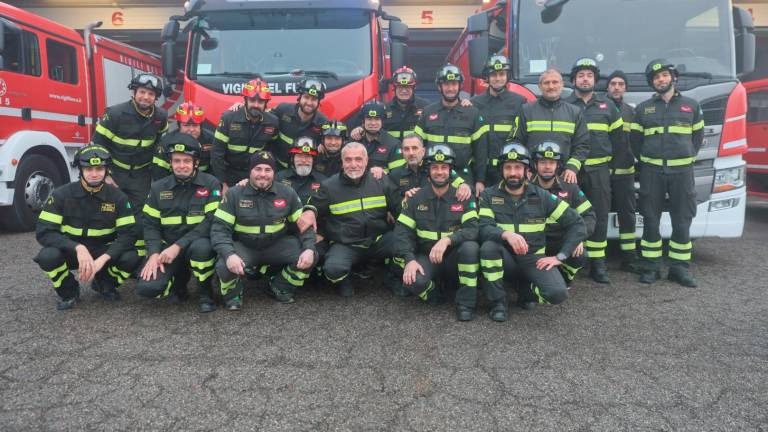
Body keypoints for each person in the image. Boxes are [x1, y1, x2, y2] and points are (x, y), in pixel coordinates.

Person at [478, 143, 586, 322]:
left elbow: (576, 222)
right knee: (488, 248)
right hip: (506, 258)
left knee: (557, 294)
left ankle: (527, 291)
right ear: (502, 170)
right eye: (508, 167)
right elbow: (483, 227)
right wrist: (506, 235)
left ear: (527, 170)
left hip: (533, 259)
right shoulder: (489, 195)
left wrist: (560, 256)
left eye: (518, 167)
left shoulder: (542, 195)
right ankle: (498, 302)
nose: (513, 172)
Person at [34, 145, 140, 310]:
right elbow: (44, 232)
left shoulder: (118, 197)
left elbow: (128, 235)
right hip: (72, 251)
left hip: (101, 252)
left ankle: (105, 283)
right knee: (48, 256)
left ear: (107, 170)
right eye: (88, 168)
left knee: (131, 256)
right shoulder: (61, 195)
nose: (94, 173)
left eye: (99, 168)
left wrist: (103, 259)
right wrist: (77, 247)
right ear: (80, 169)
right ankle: (69, 291)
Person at [211, 151, 317, 310]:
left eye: (268, 170)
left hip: (276, 245)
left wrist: (309, 248)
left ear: (274, 172)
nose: (263, 174)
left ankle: (280, 285)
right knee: (224, 266)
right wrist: (229, 254)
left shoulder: (287, 193)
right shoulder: (234, 194)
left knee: (311, 256)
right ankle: (233, 293)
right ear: (250, 171)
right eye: (258, 169)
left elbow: (304, 226)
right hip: (245, 246)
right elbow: (219, 230)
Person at [631, 59, 704, 287]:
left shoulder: (692, 106)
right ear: (652, 83)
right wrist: (647, 160)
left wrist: (686, 156)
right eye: (656, 77)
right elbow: (635, 141)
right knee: (651, 220)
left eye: (663, 75)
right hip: (652, 171)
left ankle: (679, 269)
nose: (660, 80)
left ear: (672, 77)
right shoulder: (643, 109)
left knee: (682, 221)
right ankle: (650, 266)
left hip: (682, 172)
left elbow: (697, 138)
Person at [300, 142, 401, 297]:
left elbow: (400, 209)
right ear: (342, 162)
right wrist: (309, 211)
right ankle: (344, 280)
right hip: (347, 244)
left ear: (366, 161)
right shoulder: (329, 186)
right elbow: (313, 207)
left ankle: (390, 275)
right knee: (333, 270)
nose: (353, 164)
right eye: (348, 160)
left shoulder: (381, 180)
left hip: (379, 240)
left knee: (406, 245)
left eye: (358, 159)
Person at [137, 135, 222, 313]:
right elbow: (150, 224)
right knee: (147, 289)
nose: (181, 165)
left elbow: (210, 221)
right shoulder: (158, 188)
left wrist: (178, 246)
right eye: (176, 160)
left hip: (195, 244)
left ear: (196, 162)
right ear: (170, 162)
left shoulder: (210, 183)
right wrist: (153, 253)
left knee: (203, 248)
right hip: (167, 249)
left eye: (186, 160)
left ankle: (205, 291)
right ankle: (179, 283)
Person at [395, 145, 480, 321]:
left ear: (451, 170)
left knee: (470, 248)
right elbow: (402, 232)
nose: (439, 172)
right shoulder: (415, 198)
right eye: (435, 167)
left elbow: (472, 229)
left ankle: (465, 303)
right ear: (428, 171)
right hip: (427, 256)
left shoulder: (464, 197)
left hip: (455, 257)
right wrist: (410, 260)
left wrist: (448, 240)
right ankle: (433, 291)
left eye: (444, 167)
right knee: (412, 281)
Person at [563, 58, 624, 283]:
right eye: (581, 75)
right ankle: (570, 261)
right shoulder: (565, 106)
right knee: (569, 215)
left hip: (599, 170)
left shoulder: (608, 107)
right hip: (571, 173)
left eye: (589, 75)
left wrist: (610, 168)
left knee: (598, 217)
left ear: (595, 80)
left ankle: (598, 265)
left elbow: (619, 142)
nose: (585, 79)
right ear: (573, 80)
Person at [92, 73, 168, 209]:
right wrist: (105, 175)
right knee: (109, 212)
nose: (145, 97)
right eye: (142, 92)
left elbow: (159, 146)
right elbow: (98, 146)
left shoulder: (161, 117)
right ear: (134, 92)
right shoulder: (115, 114)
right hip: (115, 173)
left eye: (151, 94)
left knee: (138, 218)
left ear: (156, 97)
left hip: (141, 177)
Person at [415, 63, 489, 196]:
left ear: (460, 86)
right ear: (439, 86)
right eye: (446, 84)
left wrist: (480, 180)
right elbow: (418, 145)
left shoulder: (472, 113)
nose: (450, 88)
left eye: (454, 84)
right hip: (433, 175)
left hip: (464, 176)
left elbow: (481, 152)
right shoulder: (427, 113)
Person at [530, 141, 596, 289]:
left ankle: (565, 276)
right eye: (543, 162)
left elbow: (589, 215)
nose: (547, 166)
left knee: (580, 254)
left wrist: (577, 237)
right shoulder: (526, 187)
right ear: (535, 165)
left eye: (551, 162)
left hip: (562, 240)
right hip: (534, 242)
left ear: (558, 165)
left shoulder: (569, 187)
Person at [516, 69, 589, 185]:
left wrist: (572, 168)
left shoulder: (575, 112)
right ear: (540, 86)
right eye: (546, 83)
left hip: (565, 176)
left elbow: (582, 145)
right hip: (532, 177)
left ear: (562, 85)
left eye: (555, 82)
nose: (551, 86)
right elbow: (517, 142)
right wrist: (525, 168)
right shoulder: (526, 110)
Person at [211, 78, 279, 191]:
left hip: (256, 175)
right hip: (229, 175)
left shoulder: (272, 122)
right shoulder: (228, 118)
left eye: (261, 101)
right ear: (245, 100)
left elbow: (272, 152)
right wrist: (222, 183)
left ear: (266, 103)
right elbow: (216, 154)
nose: (256, 105)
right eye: (252, 100)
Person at [470, 55, 527, 186]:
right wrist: (479, 178)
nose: (497, 78)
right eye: (493, 74)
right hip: (481, 172)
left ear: (507, 76)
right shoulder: (474, 103)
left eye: (502, 74)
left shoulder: (519, 102)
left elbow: (522, 137)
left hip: (508, 170)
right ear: (487, 77)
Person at [605, 70, 640, 272]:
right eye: (613, 84)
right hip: (601, 172)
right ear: (607, 87)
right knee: (598, 215)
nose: (616, 87)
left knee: (627, 215)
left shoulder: (631, 112)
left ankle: (629, 257)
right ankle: (593, 259)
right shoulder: (599, 108)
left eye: (620, 84)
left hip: (625, 173)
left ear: (625, 88)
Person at [349, 66, 430, 140]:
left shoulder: (426, 107)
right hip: (391, 154)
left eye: (407, 87)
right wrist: (360, 128)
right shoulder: (383, 109)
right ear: (394, 88)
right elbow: (371, 125)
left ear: (414, 87)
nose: (404, 91)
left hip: (415, 153)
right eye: (400, 87)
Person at [270, 78, 329, 169]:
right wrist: (242, 108)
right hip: (278, 168)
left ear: (318, 102)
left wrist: (324, 144)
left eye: (314, 99)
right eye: (306, 97)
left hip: (303, 172)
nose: (309, 103)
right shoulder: (282, 110)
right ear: (299, 97)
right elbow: (263, 117)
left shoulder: (323, 123)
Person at [152, 102, 214, 180]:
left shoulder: (211, 141)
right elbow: (159, 175)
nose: (191, 130)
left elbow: (216, 170)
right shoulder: (166, 143)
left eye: (195, 125)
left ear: (201, 126)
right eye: (186, 125)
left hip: (203, 184)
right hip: (175, 185)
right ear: (179, 125)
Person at [275, 136, 327, 205]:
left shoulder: (323, 181)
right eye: (299, 156)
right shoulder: (279, 178)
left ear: (313, 160)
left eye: (308, 156)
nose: (303, 160)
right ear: (292, 159)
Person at [355, 101, 404, 173]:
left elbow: (397, 174)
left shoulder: (394, 145)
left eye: (377, 119)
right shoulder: (354, 141)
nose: (373, 123)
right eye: (369, 119)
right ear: (363, 121)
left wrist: (382, 173)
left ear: (382, 121)